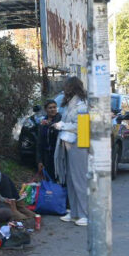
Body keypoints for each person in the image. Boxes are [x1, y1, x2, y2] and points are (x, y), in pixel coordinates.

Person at [53, 77, 89, 226]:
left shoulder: (82, 104)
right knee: (71, 179)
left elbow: (81, 127)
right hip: (69, 143)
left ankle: (85, 214)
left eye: (66, 86)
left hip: (79, 144)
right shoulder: (71, 103)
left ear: (71, 88)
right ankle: (74, 212)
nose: (64, 89)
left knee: (79, 179)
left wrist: (62, 126)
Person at [36, 99, 61, 180]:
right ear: (46, 110)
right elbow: (39, 143)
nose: (53, 109)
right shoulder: (42, 123)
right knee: (48, 178)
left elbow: (58, 130)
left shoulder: (60, 119)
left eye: (54, 107)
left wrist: (50, 125)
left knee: (58, 179)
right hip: (46, 156)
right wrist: (39, 160)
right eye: (50, 108)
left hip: (58, 155)